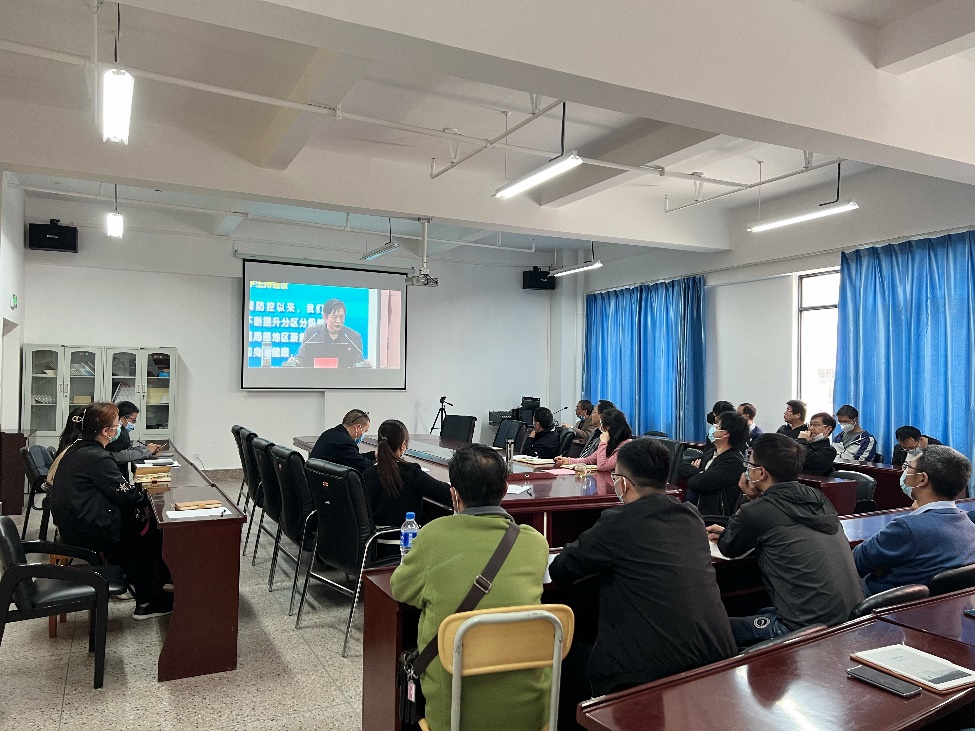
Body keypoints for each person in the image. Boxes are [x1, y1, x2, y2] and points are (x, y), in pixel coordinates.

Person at [551, 439, 736, 727]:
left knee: (563, 657)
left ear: (623, 483)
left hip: (649, 672)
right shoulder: (690, 516)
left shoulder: (618, 521)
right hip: (717, 658)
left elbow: (562, 570)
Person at [390, 445, 550, 731]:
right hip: (532, 716)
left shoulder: (432, 536)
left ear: (454, 494)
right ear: (505, 490)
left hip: (454, 718)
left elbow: (400, 590)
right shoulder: (535, 542)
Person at [707, 434, 863, 648]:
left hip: (804, 631)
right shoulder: (818, 498)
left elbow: (728, 547)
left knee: (716, 631)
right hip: (850, 621)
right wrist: (756, 503)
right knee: (761, 610)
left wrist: (750, 501)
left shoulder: (757, 512)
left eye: (750, 464)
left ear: (761, 472)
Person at [47, 402, 172, 620]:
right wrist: (144, 495)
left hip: (73, 524)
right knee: (149, 536)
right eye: (117, 425)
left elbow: (115, 489)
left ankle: (139, 581)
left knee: (144, 526)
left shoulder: (78, 448)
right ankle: (146, 601)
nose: (120, 428)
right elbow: (125, 494)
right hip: (87, 530)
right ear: (106, 431)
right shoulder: (97, 457)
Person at [854, 446, 975, 595]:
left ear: (922, 479)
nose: (905, 471)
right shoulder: (969, 524)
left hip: (872, 602)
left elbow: (855, 561)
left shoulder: (906, 528)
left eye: (908, 467)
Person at [678, 411, 748, 516]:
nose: (713, 427)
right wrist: (700, 472)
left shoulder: (733, 462)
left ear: (725, 434)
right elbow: (681, 466)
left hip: (710, 518)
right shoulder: (711, 453)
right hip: (693, 512)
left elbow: (697, 483)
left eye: (717, 425)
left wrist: (696, 474)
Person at [556, 407, 632, 472]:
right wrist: (568, 460)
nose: (601, 428)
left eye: (602, 424)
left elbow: (602, 466)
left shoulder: (625, 446)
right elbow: (590, 460)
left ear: (608, 427)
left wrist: (603, 442)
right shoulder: (611, 441)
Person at [295, 297, 364, 368]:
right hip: (316, 374)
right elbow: (301, 358)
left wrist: (364, 364)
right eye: (334, 317)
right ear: (325, 317)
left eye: (341, 317)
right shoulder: (311, 333)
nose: (338, 321)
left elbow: (358, 361)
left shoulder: (354, 337)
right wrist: (295, 362)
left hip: (344, 374)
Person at [309, 409, 376, 473]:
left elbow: (355, 458)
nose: (363, 435)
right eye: (364, 431)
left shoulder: (330, 433)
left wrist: (374, 455)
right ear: (358, 427)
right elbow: (363, 466)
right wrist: (380, 463)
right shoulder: (345, 442)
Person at [105, 401, 165, 466]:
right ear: (123, 418)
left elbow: (127, 449)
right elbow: (119, 455)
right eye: (133, 420)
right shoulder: (114, 433)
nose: (133, 424)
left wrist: (147, 449)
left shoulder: (122, 431)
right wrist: (147, 452)